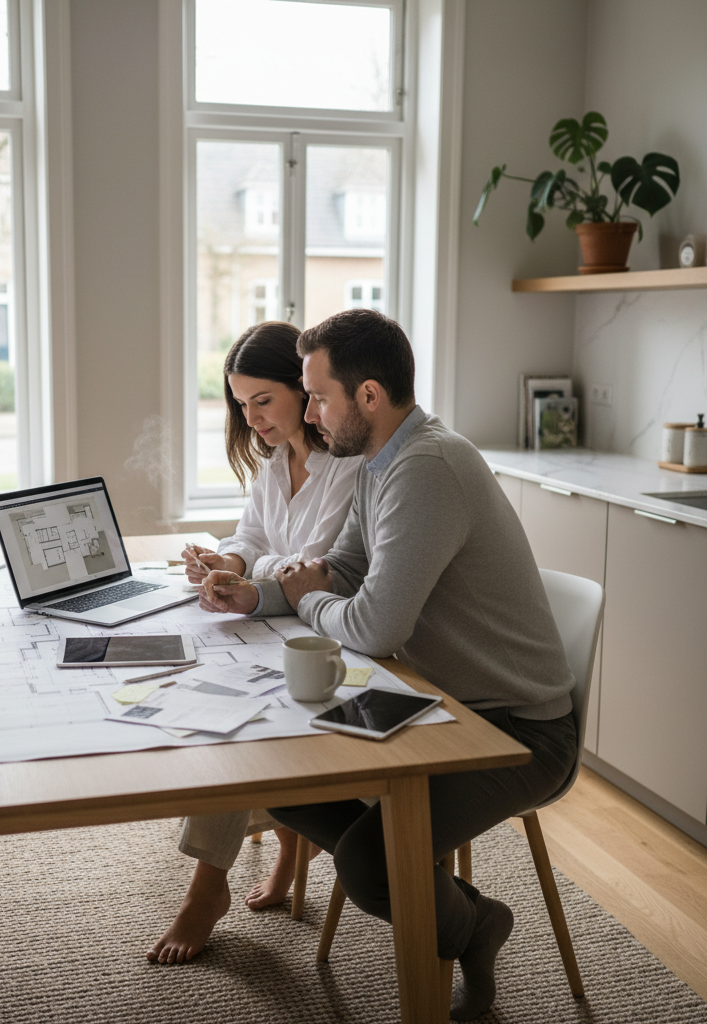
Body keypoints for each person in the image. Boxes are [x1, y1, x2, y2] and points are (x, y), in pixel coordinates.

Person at [199, 308, 577, 1020]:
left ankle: (476, 924)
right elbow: (341, 567)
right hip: (437, 699)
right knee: (281, 778)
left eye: (316, 396)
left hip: (515, 731)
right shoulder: (380, 460)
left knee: (369, 868)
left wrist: (304, 602)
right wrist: (256, 594)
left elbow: (372, 626)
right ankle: (422, 880)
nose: (309, 412)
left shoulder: (427, 467)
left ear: (368, 396)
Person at [147, 320, 363, 965]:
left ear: (303, 388)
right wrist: (226, 560)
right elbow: (258, 540)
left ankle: (206, 888)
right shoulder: (276, 462)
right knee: (201, 677)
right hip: (283, 621)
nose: (253, 418)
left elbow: (314, 564)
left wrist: (248, 572)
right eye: (241, 405)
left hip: (333, 631)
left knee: (235, 720)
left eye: (262, 400)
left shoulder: (345, 468)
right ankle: (290, 840)